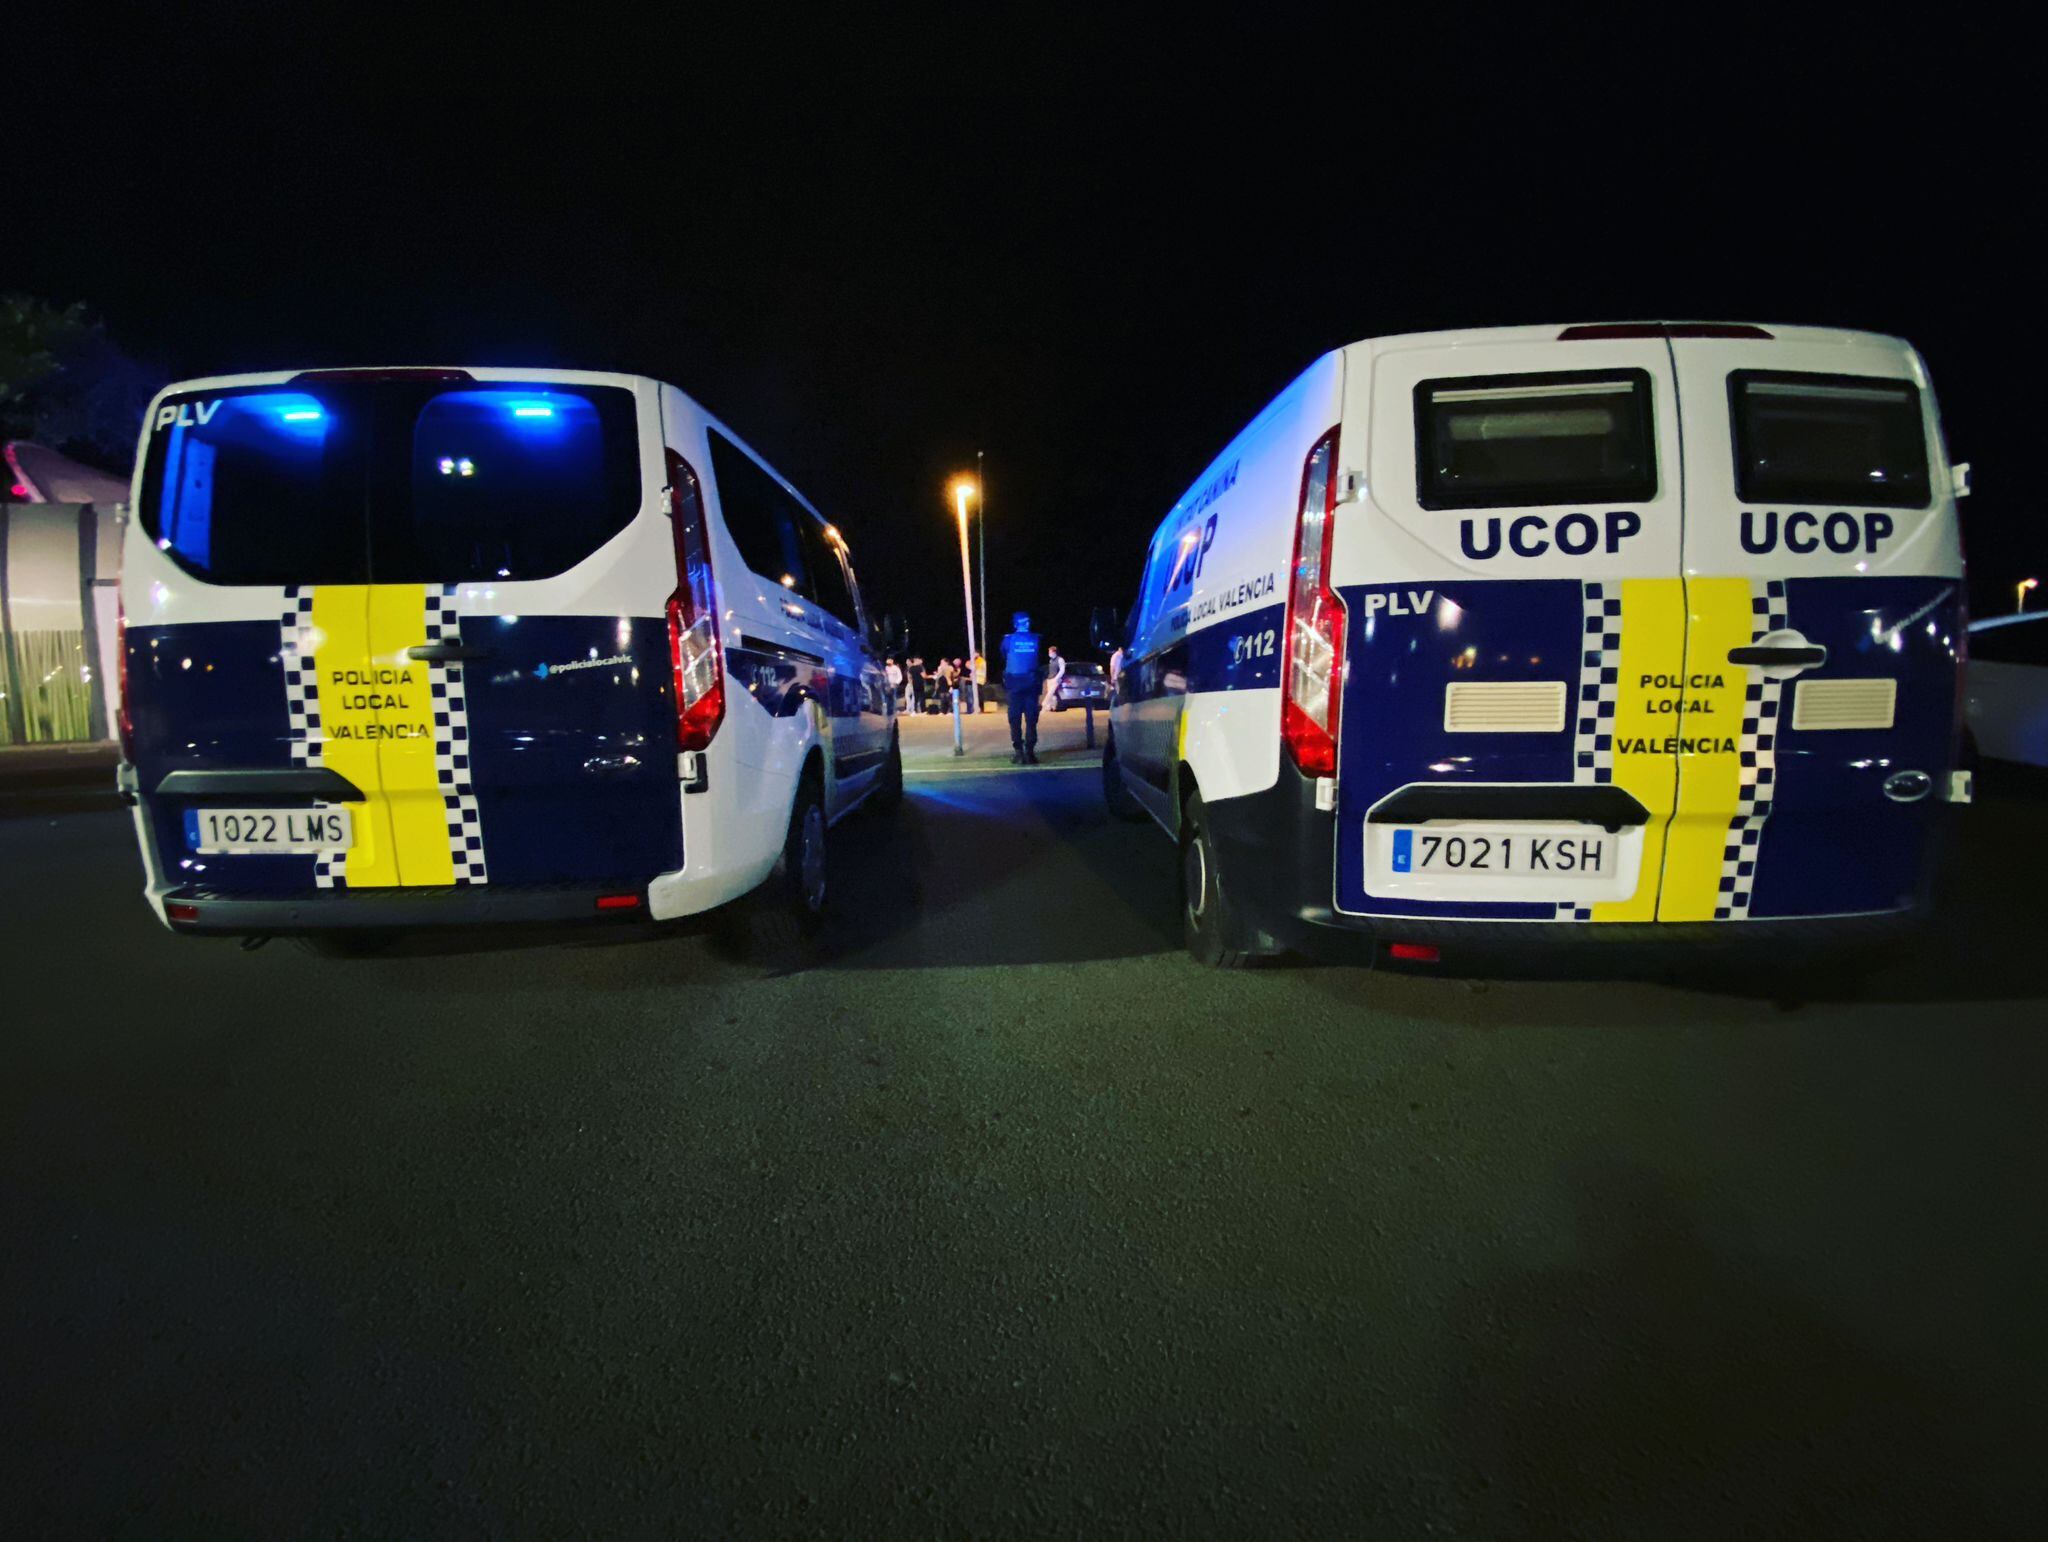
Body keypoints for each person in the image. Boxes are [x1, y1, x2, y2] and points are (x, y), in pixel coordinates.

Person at [997, 610, 1048, 764]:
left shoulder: (1008, 640)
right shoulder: (1036, 639)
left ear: (1014, 624)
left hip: (1014, 684)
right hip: (1032, 684)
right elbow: (1040, 659)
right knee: (1031, 718)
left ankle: (1019, 752)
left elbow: (1004, 655)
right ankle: (1029, 752)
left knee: (1015, 718)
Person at [1040, 644, 1067, 715]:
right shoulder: (1051, 660)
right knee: (1052, 694)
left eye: (1050, 652)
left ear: (1054, 652)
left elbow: (1062, 670)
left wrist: (1057, 678)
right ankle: (1052, 707)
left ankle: (1044, 706)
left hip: (1055, 679)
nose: (1049, 653)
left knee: (1049, 694)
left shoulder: (1060, 659)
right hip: (1050, 678)